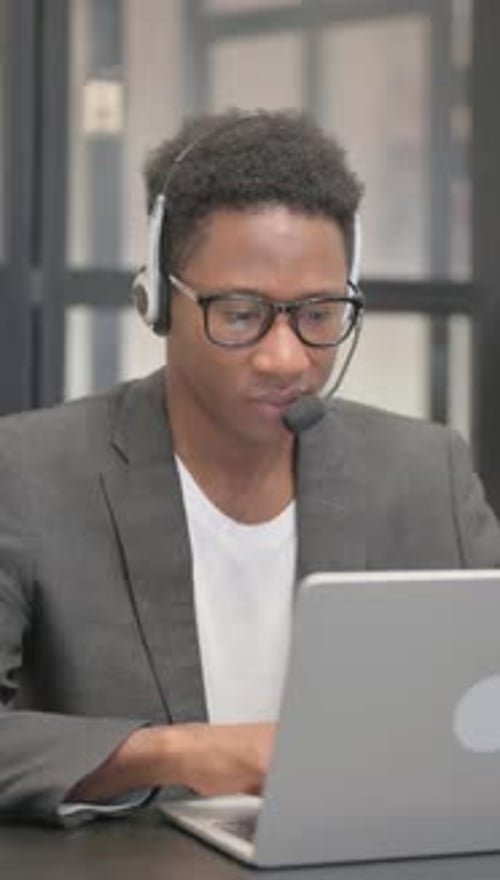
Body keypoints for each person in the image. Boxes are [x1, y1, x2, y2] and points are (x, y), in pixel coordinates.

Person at [0, 109, 499, 826]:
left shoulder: (425, 475)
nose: (286, 359)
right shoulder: (29, 472)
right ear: (157, 299)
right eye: (240, 315)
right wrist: (173, 753)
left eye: (321, 314)